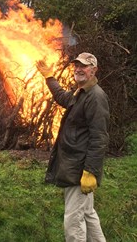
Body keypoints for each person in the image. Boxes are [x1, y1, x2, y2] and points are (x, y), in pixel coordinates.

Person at [36, 53, 110, 242]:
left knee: (74, 221)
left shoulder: (95, 97)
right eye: (76, 65)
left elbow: (99, 137)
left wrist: (90, 171)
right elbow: (62, 97)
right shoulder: (81, 92)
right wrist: (49, 78)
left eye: (84, 66)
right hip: (76, 166)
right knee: (87, 214)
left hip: (80, 170)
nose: (78, 69)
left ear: (94, 70)